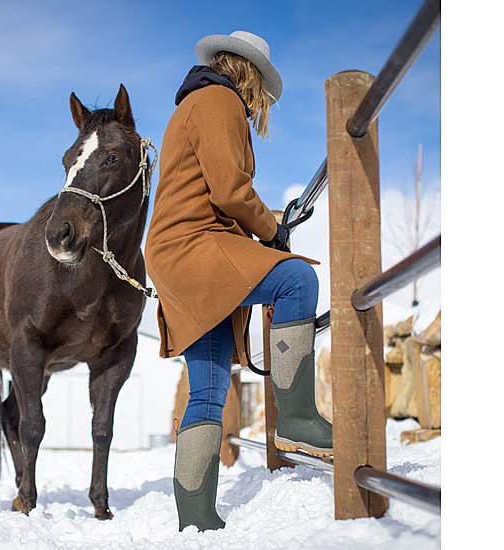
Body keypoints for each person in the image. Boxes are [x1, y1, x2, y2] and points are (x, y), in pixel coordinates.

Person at [145, 31, 334, 532]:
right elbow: (230, 188)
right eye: (262, 94)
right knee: (295, 278)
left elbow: (214, 189)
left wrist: (260, 230)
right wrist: (274, 234)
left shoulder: (197, 101)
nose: (260, 105)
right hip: (193, 245)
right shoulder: (219, 99)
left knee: (206, 392)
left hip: (177, 251)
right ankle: (297, 419)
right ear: (248, 72)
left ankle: (196, 514)